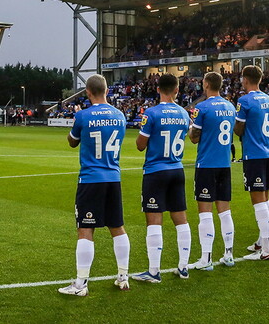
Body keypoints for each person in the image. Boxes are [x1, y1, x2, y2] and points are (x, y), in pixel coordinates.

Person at [58, 74, 131, 297]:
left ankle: (81, 284)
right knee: (117, 227)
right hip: (113, 177)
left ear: (88, 92)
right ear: (107, 90)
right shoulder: (120, 115)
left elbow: (72, 141)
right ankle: (123, 277)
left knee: (85, 229)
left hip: (91, 179)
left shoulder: (83, 115)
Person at [131, 73, 191, 283]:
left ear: (158, 89)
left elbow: (140, 145)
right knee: (181, 219)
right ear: (177, 90)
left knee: (154, 220)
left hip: (156, 171)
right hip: (177, 169)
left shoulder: (151, 113)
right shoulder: (184, 114)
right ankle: (183, 267)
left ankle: (154, 271)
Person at [186, 71, 237, 271]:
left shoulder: (202, 108)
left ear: (206, 84)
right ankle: (229, 254)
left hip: (206, 164)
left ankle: (206, 259)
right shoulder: (230, 106)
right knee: (225, 211)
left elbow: (194, 137)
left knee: (205, 212)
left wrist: (191, 127)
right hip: (224, 164)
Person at [235, 65, 269, 261]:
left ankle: (267, 248)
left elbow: (239, 129)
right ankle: (262, 240)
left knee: (257, 198)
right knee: (265, 196)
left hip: (254, 153)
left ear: (245, 79)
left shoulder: (244, 101)